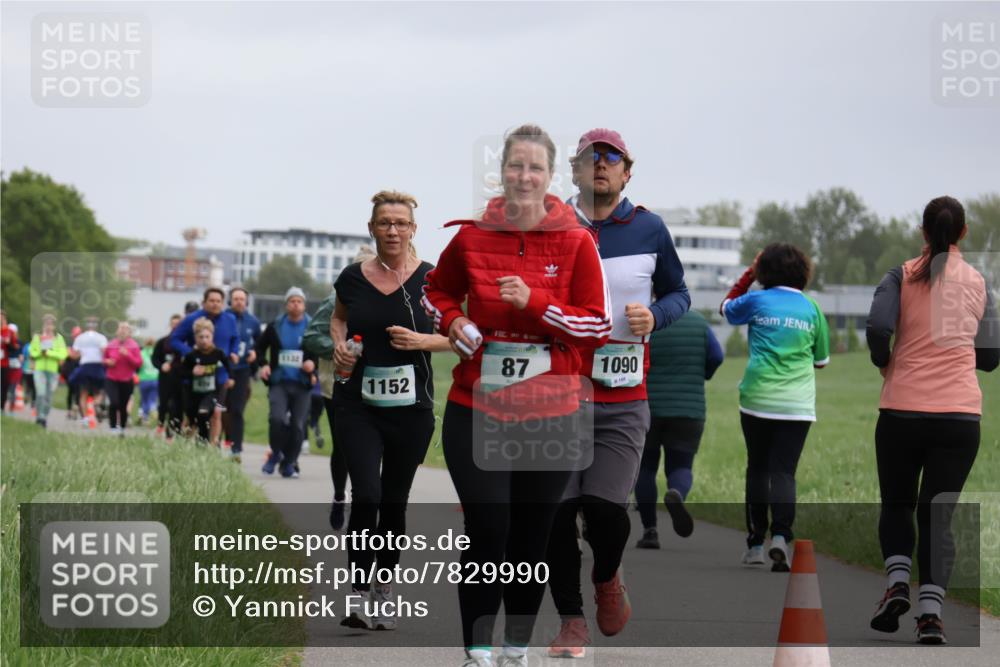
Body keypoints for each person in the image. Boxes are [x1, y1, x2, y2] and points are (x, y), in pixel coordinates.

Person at [422, 124, 611, 667]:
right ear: (501, 171)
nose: (523, 176)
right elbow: (435, 290)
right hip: (476, 407)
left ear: (550, 176)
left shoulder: (576, 241)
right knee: (489, 527)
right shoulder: (474, 234)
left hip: (550, 413)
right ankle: (477, 651)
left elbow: (597, 325)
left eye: (534, 167)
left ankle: (515, 649)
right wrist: (454, 322)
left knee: (531, 539)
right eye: (514, 166)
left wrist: (533, 302)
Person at [545, 128, 690, 656]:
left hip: (623, 395)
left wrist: (655, 315)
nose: (600, 165)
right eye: (590, 158)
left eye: (611, 159)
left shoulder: (649, 228)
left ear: (627, 172)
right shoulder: (550, 225)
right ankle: (571, 622)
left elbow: (680, 293)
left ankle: (607, 578)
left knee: (605, 509)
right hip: (558, 394)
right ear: (576, 171)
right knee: (558, 515)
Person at [865, 195, 999, 645]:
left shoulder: (900, 275)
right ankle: (930, 617)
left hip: (902, 411)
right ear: (962, 233)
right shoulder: (980, 282)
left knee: (898, 505)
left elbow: (879, 327)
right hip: (960, 417)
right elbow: (991, 356)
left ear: (924, 232)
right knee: (938, 515)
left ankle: (898, 583)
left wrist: (885, 360)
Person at [327, 190, 448, 631]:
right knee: (368, 495)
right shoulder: (352, 277)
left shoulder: (434, 280)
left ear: (413, 230)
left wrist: (423, 341)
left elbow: (462, 335)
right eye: (384, 223)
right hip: (356, 403)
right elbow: (339, 318)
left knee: (394, 503)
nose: (393, 230)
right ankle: (358, 591)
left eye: (401, 223)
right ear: (372, 228)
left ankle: (383, 588)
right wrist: (340, 345)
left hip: (411, 409)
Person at [720, 243, 829, 571]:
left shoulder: (756, 299)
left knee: (757, 468)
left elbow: (726, 308)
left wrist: (747, 276)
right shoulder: (812, 308)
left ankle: (755, 544)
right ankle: (781, 537)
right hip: (796, 405)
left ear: (764, 271)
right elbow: (821, 361)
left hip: (757, 399)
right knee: (784, 472)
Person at [634, 310, 724, 549]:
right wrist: (703, 373)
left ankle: (650, 531)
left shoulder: (645, 321)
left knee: (645, 468)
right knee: (681, 466)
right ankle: (676, 493)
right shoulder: (699, 323)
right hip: (689, 410)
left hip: (648, 406)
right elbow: (717, 355)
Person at [256, 287, 317, 478]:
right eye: (292, 301)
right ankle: (276, 453)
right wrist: (264, 364)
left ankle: (289, 463)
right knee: (277, 418)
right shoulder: (275, 326)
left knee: (298, 425)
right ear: (286, 304)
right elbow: (259, 348)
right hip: (279, 381)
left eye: (299, 301)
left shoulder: (313, 327)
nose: (295, 304)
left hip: (302, 383)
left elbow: (322, 351)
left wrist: (312, 365)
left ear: (304, 305)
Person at [172, 287, 240, 444]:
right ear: (204, 302)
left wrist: (234, 352)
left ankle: (213, 446)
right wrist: (191, 353)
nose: (215, 304)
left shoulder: (229, 319)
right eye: (211, 301)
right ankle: (183, 445)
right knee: (194, 415)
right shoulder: (192, 319)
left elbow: (235, 338)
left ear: (223, 303)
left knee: (216, 412)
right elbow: (175, 339)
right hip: (196, 376)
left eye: (218, 301)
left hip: (219, 375)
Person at [182, 317, 235, 444]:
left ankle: (209, 443)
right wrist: (192, 372)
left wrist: (231, 378)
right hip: (194, 392)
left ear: (212, 336)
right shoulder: (191, 356)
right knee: (194, 418)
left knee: (208, 412)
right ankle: (191, 442)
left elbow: (229, 366)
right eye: (201, 337)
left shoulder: (218, 353)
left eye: (207, 337)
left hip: (213, 391)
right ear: (195, 338)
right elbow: (182, 373)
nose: (204, 340)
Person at [223, 286, 261, 459]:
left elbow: (260, 344)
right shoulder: (223, 318)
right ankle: (218, 440)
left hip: (242, 369)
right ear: (230, 301)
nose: (239, 302)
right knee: (220, 407)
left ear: (246, 302)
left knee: (237, 409)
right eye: (236, 299)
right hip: (223, 368)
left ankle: (236, 447)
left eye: (242, 299)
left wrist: (255, 353)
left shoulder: (252, 321)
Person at [103, 321, 142, 435]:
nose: (123, 330)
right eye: (121, 328)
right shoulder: (111, 344)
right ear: (117, 330)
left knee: (123, 405)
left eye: (126, 328)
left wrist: (128, 355)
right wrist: (107, 362)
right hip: (111, 379)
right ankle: (113, 427)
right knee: (114, 402)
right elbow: (104, 359)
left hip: (126, 380)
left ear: (129, 332)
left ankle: (122, 428)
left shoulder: (133, 345)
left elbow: (138, 363)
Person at [29, 314, 69, 428]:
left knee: (49, 395)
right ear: (43, 324)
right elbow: (32, 351)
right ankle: (40, 416)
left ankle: (44, 416)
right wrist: (39, 353)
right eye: (46, 323)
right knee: (41, 393)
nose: (48, 326)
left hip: (53, 371)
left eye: (50, 324)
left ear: (54, 326)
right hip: (39, 369)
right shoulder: (38, 337)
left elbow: (63, 354)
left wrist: (50, 353)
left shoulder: (58, 338)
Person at [70, 317, 108, 426]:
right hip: (97, 366)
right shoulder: (101, 338)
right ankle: (96, 404)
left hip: (85, 366)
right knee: (99, 391)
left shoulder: (80, 338)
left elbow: (75, 355)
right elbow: (104, 352)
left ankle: (85, 419)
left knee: (83, 394)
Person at [152, 314, 184, 439]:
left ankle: (174, 431)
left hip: (180, 379)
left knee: (177, 406)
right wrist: (161, 366)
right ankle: (161, 424)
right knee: (164, 404)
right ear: (170, 325)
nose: (175, 326)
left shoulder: (184, 342)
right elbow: (154, 359)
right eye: (173, 324)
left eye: (178, 324)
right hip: (165, 379)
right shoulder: (162, 342)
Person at [0, 312, 20, 416]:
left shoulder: (9, 331)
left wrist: (8, 343)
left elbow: (16, 346)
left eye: (1, 318)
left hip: (4, 363)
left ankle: (2, 408)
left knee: (4, 386)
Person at [60, 326, 82, 419]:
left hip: (80, 371)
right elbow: (67, 356)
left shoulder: (83, 345)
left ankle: (76, 408)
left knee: (78, 391)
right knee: (71, 391)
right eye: (75, 335)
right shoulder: (69, 344)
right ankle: (69, 410)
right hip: (69, 371)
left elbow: (75, 355)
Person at [137, 337, 159, 425]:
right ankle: (153, 409)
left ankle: (145, 417)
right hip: (156, 378)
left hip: (144, 379)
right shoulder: (157, 352)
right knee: (152, 399)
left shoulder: (141, 353)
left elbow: (138, 365)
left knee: (144, 399)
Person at [4, 323, 24, 412]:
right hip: (6, 366)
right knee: (4, 387)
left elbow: (21, 354)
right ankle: (3, 406)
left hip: (15, 368)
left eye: (12, 332)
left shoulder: (18, 342)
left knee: (12, 388)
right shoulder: (5, 342)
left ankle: (11, 408)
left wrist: (21, 357)